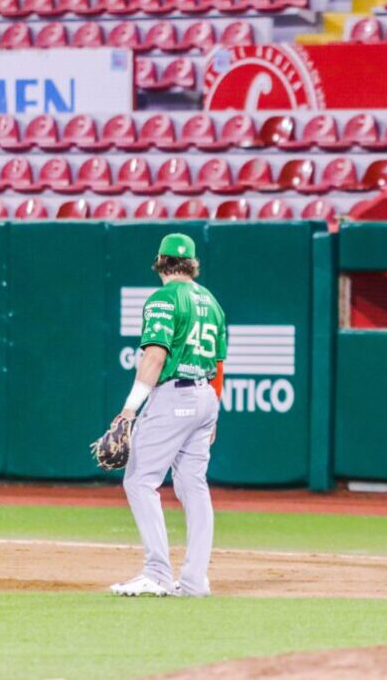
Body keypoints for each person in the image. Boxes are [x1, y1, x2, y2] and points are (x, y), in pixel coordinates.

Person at [109, 233, 227, 597]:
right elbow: (219, 363)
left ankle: (157, 572)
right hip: (205, 396)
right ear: (191, 263)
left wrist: (129, 409)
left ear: (160, 261)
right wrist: (214, 412)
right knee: (193, 486)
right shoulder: (211, 300)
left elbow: (155, 357)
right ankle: (193, 581)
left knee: (139, 480)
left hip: (173, 396)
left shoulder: (163, 298)